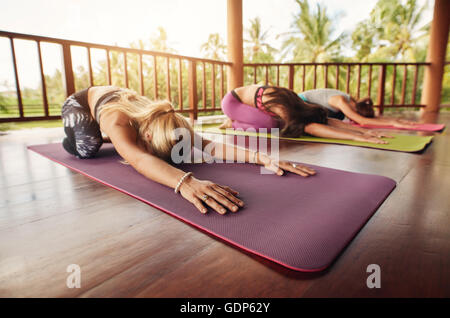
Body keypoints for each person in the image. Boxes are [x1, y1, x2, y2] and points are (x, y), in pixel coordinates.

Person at [61, 86, 316, 215]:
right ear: (147, 135)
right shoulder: (117, 120)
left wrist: (262, 157)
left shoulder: (170, 121)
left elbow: (210, 146)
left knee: (129, 145)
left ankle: (118, 140)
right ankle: (80, 137)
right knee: (88, 148)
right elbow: (139, 158)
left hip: (122, 101)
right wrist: (185, 181)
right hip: (82, 103)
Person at [220, 85, 391, 144]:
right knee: (271, 125)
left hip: (256, 105)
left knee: (275, 124)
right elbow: (311, 127)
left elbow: (325, 121)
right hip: (233, 102)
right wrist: (354, 138)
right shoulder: (284, 108)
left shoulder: (299, 103)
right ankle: (232, 123)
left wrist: (362, 132)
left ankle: (240, 119)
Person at [298, 88, 419, 128]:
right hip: (298, 104)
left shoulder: (352, 102)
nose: (353, 120)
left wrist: (395, 120)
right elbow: (362, 120)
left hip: (313, 109)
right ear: (356, 111)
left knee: (338, 117)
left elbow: (365, 117)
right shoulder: (341, 101)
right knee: (337, 118)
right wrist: (392, 123)